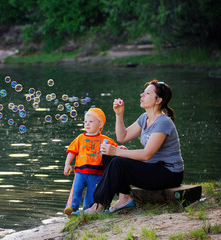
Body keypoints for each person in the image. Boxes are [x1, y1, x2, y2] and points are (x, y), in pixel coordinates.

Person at [85, 80, 184, 214]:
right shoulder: (144, 118)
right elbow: (122, 137)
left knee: (118, 160)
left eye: (147, 93)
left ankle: (98, 205)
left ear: (158, 100)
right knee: (108, 155)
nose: (142, 95)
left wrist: (118, 152)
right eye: (143, 93)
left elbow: (146, 154)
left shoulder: (163, 122)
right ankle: (125, 197)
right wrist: (119, 114)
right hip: (153, 167)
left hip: (169, 174)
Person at [63, 107, 119, 217]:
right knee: (76, 190)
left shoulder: (105, 140)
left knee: (92, 194)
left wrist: (121, 148)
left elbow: (115, 150)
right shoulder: (80, 138)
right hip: (81, 172)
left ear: (100, 124)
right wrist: (67, 164)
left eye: (91, 121)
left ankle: (86, 211)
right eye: (85, 121)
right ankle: (71, 208)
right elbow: (72, 152)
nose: (87, 124)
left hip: (97, 173)